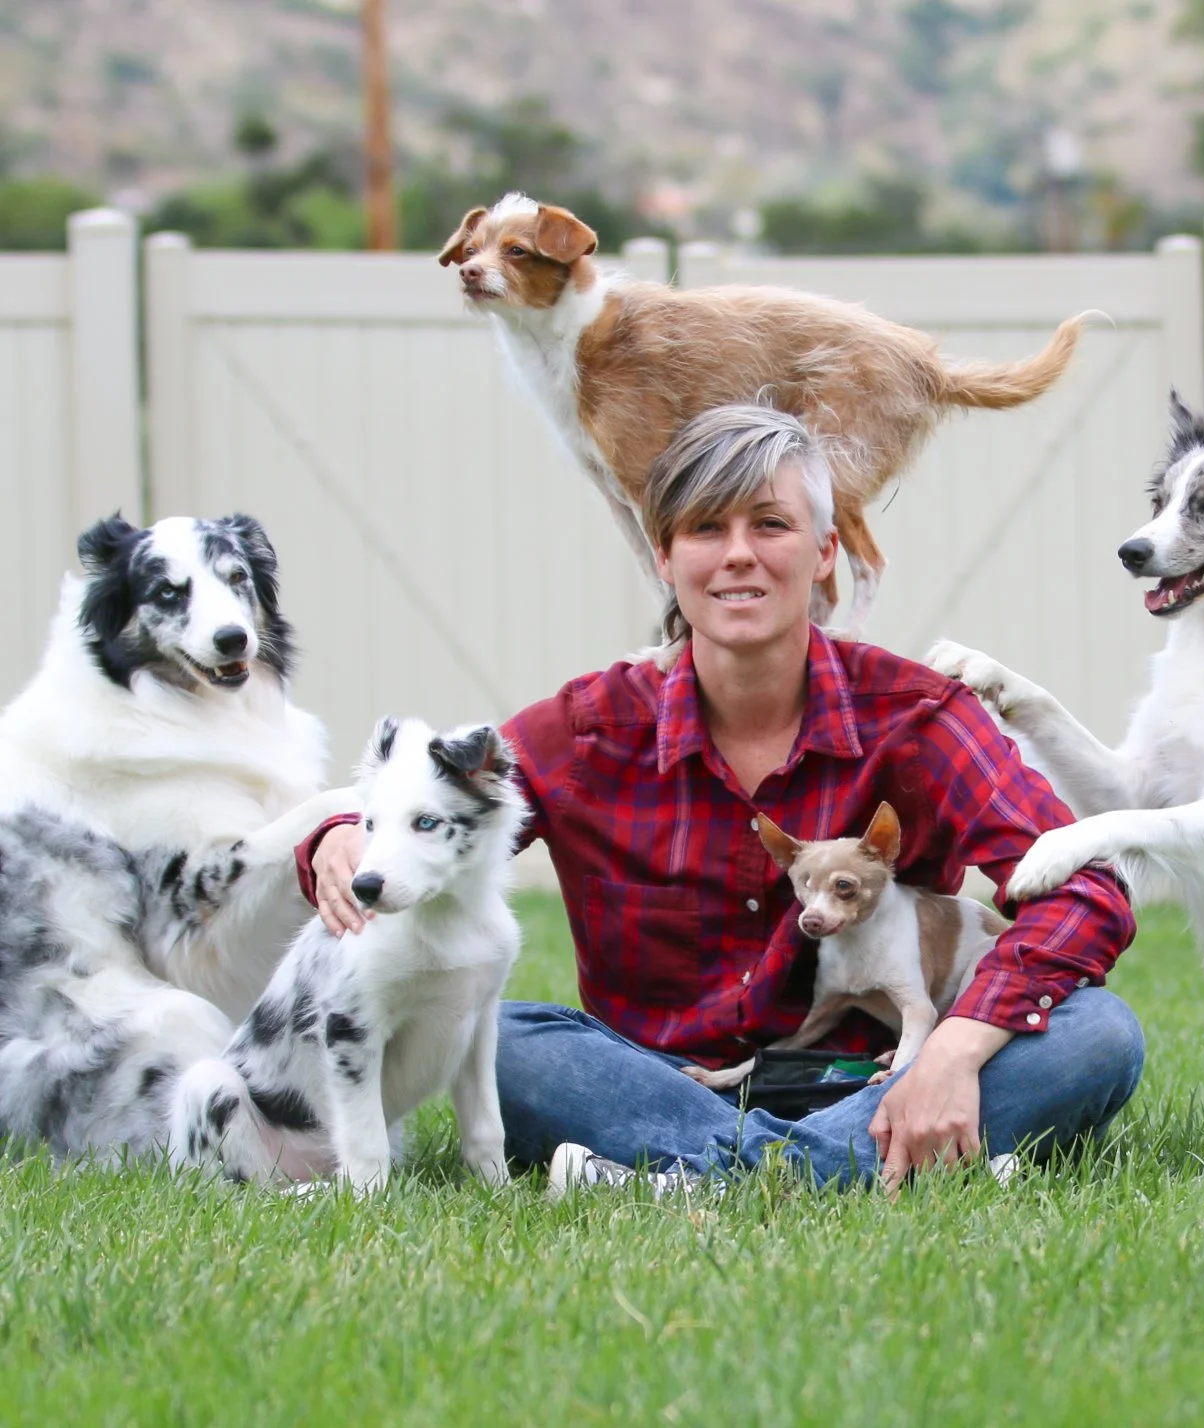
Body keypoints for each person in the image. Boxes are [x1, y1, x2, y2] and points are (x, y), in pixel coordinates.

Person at [298, 404, 1143, 1194]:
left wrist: (954, 1047)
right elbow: (433, 798)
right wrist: (339, 832)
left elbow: (1089, 890)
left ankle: (697, 1178)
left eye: (770, 524)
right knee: (511, 1040)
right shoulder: (588, 730)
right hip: (654, 1085)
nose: (738, 554)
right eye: (707, 528)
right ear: (666, 557)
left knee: (1097, 1034)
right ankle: (836, 1172)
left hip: (876, 1075)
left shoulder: (918, 717)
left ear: (822, 552)